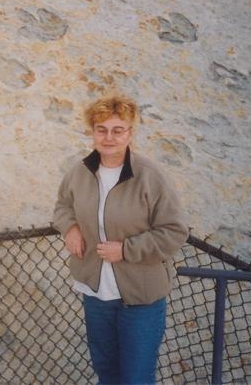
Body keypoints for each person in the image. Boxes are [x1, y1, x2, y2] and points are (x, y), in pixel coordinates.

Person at [53, 92, 188, 385]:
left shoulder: (150, 176)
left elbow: (175, 230)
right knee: (107, 374)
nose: (109, 137)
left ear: (130, 133)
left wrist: (126, 250)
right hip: (96, 295)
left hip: (140, 298)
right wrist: (70, 228)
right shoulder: (80, 172)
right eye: (101, 129)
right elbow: (63, 205)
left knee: (135, 378)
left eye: (118, 130)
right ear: (92, 132)